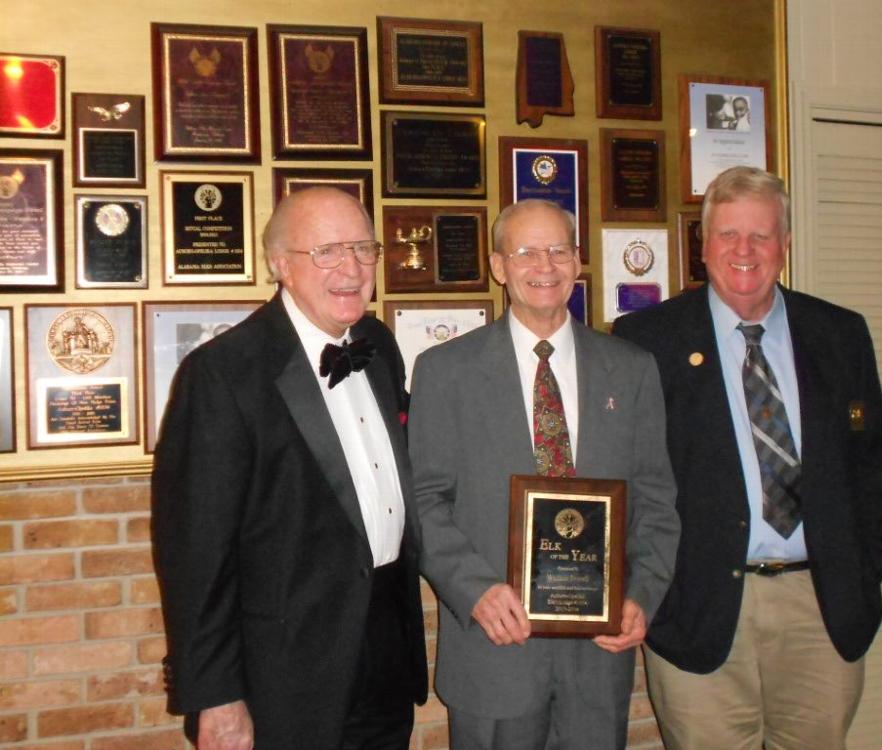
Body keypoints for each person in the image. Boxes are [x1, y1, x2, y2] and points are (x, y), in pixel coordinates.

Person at [613, 166, 882, 750]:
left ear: (784, 245)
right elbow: (625, 479)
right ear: (703, 243)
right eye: (727, 234)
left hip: (820, 606)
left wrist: (864, 573)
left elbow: (872, 470)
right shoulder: (646, 341)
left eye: (761, 236)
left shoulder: (841, 334)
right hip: (701, 604)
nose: (744, 251)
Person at [151, 187, 428, 750]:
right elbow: (194, 554)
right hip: (283, 674)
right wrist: (216, 695)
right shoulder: (223, 373)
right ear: (281, 265)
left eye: (363, 248)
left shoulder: (378, 345)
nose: (352, 268)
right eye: (326, 251)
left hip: (386, 652)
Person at [408, 198, 680, 750]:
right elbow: (423, 500)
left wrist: (641, 594)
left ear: (579, 261)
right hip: (494, 650)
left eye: (559, 250)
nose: (545, 265)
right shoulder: (445, 371)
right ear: (498, 266)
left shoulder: (631, 369)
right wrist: (475, 591)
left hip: (597, 658)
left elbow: (656, 498)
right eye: (527, 252)